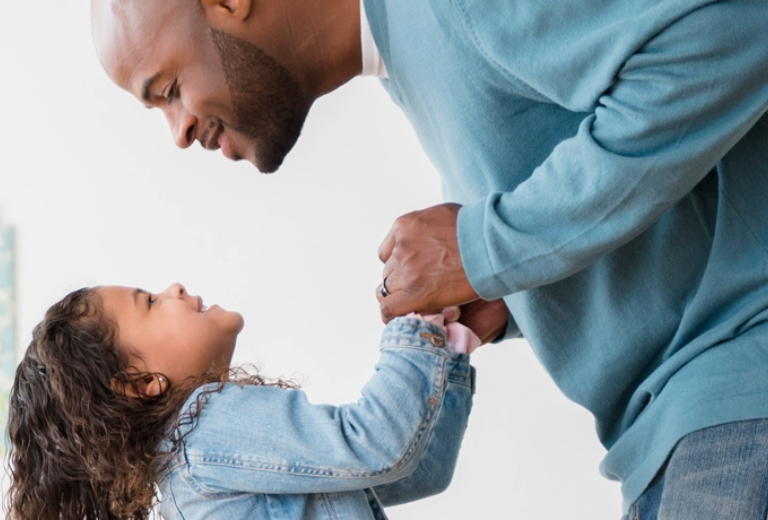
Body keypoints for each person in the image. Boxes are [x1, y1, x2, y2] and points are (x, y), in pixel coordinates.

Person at [90, 0, 768, 517]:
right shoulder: (410, 58)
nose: (177, 132)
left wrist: (485, 247)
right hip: (675, 433)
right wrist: (501, 295)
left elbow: (729, 34)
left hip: (733, 383)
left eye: (168, 88)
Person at [5, 283, 478, 520]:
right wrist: (414, 330)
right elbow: (374, 444)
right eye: (149, 302)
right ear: (140, 381)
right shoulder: (202, 431)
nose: (174, 288)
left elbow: (414, 468)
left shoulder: (193, 477)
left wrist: (448, 352)